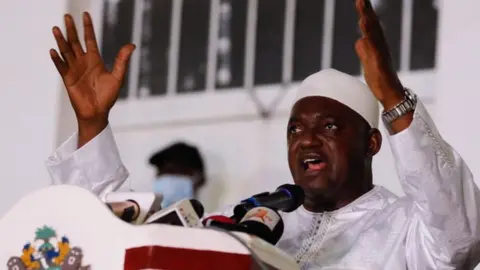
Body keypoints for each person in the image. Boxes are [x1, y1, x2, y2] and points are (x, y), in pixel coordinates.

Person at [45, 0, 480, 268]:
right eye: (295, 129)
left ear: (371, 142)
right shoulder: (255, 224)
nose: (306, 140)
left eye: (328, 127)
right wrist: (92, 125)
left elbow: (459, 237)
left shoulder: (405, 228)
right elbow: (119, 238)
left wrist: (392, 96)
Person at [148, 142, 206, 208]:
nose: (164, 178)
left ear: (199, 180)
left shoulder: (213, 218)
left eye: (171, 172)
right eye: (160, 173)